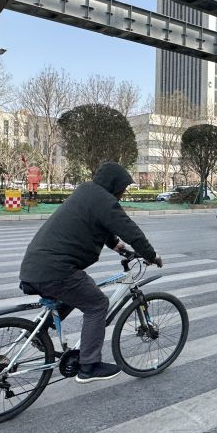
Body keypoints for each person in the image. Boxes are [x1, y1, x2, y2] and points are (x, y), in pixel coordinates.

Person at [19, 162, 163, 384]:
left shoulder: (87, 192)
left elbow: (101, 227)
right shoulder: (105, 200)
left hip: (35, 266)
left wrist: (121, 249)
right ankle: (89, 366)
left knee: (78, 292)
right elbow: (130, 230)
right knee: (96, 304)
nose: (123, 193)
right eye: (123, 188)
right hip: (56, 269)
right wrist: (151, 256)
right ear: (114, 185)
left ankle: (40, 332)